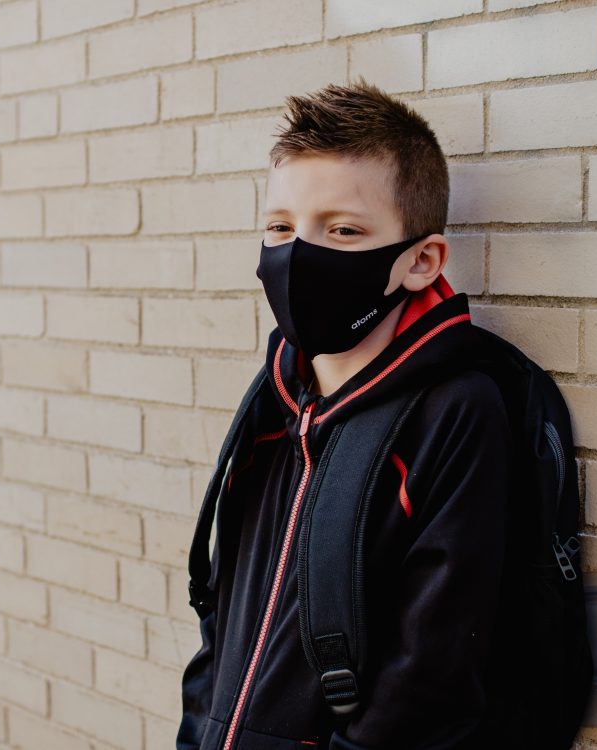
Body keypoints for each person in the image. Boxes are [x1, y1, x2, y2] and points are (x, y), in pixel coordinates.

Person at [177, 80, 513, 749]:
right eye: (280, 228)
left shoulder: (454, 413)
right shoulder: (275, 399)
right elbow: (223, 618)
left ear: (422, 261)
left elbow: (429, 678)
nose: (298, 254)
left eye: (344, 230)